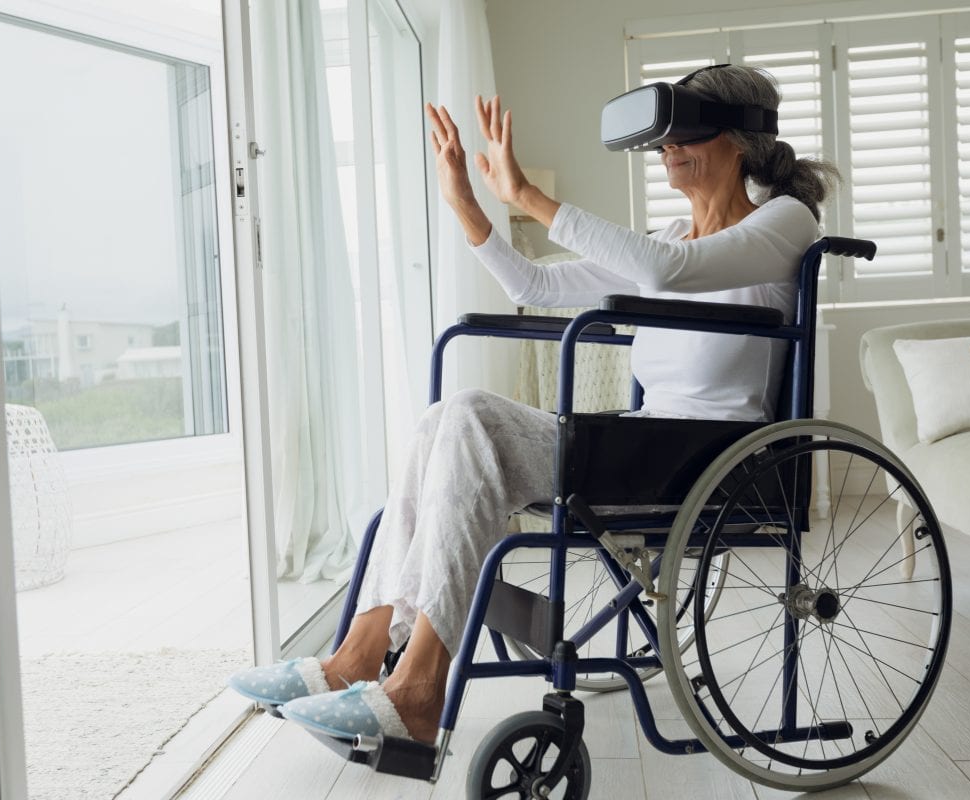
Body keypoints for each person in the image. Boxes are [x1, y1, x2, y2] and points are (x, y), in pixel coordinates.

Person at [230, 64, 839, 745]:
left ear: (740, 139)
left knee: (468, 414)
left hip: (715, 460)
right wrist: (470, 202)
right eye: (661, 138)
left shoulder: (785, 223)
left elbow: (670, 273)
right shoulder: (669, 234)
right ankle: (358, 659)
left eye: (683, 133)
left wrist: (529, 195)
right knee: (443, 420)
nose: (667, 149)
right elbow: (535, 284)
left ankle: (420, 691)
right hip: (647, 446)